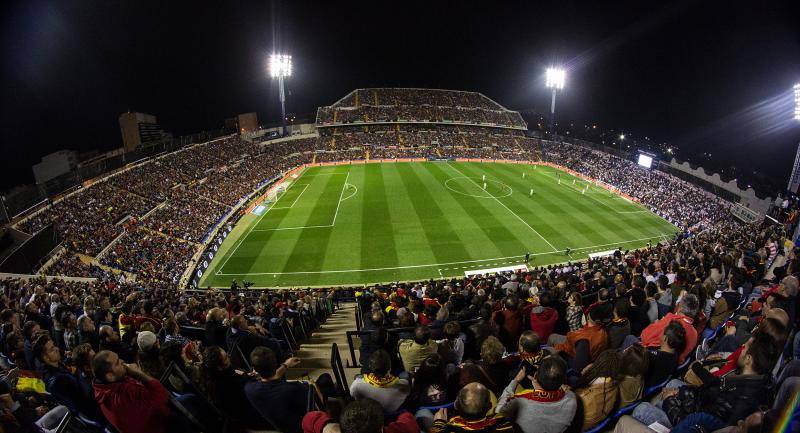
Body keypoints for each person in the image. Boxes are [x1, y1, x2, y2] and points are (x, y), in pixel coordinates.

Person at [91, 350, 175, 433]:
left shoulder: (101, 388)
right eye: (117, 363)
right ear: (110, 376)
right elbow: (163, 396)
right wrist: (139, 373)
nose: (122, 361)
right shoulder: (125, 392)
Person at [34, 336, 106, 424]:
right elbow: (77, 407)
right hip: (93, 411)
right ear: (46, 358)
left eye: (54, 346)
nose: (57, 349)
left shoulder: (57, 365)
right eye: (52, 349)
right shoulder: (56, 381)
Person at [496, 356, 577, 433]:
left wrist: (515, 380)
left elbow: (499, 411)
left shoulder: (520, 401)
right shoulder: (572, 399)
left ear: (535, 375)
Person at [244, 346, 306, 433]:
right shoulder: (295, 388)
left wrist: (285, 365)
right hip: (304, 427)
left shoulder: (249, 389)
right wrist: (313, 385)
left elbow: (271, 380)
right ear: (276, 364)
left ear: (254, 369)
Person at [638, 293, 699, 363]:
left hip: (653, 360)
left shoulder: (671, 320)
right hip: (673, 364)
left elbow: (644, 337)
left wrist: (657, 323)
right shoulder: (695, 333)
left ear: (680, 307)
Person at [430, 382, 513, 433]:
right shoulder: (504, 426)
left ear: (456, 405)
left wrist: (439, 422)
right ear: (490, 406)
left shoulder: (450, 429)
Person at [302, 397, 419, 433]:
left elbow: (308, 419)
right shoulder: (398, 429)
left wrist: (326, 426)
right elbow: (408, 419)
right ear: (380, 429)